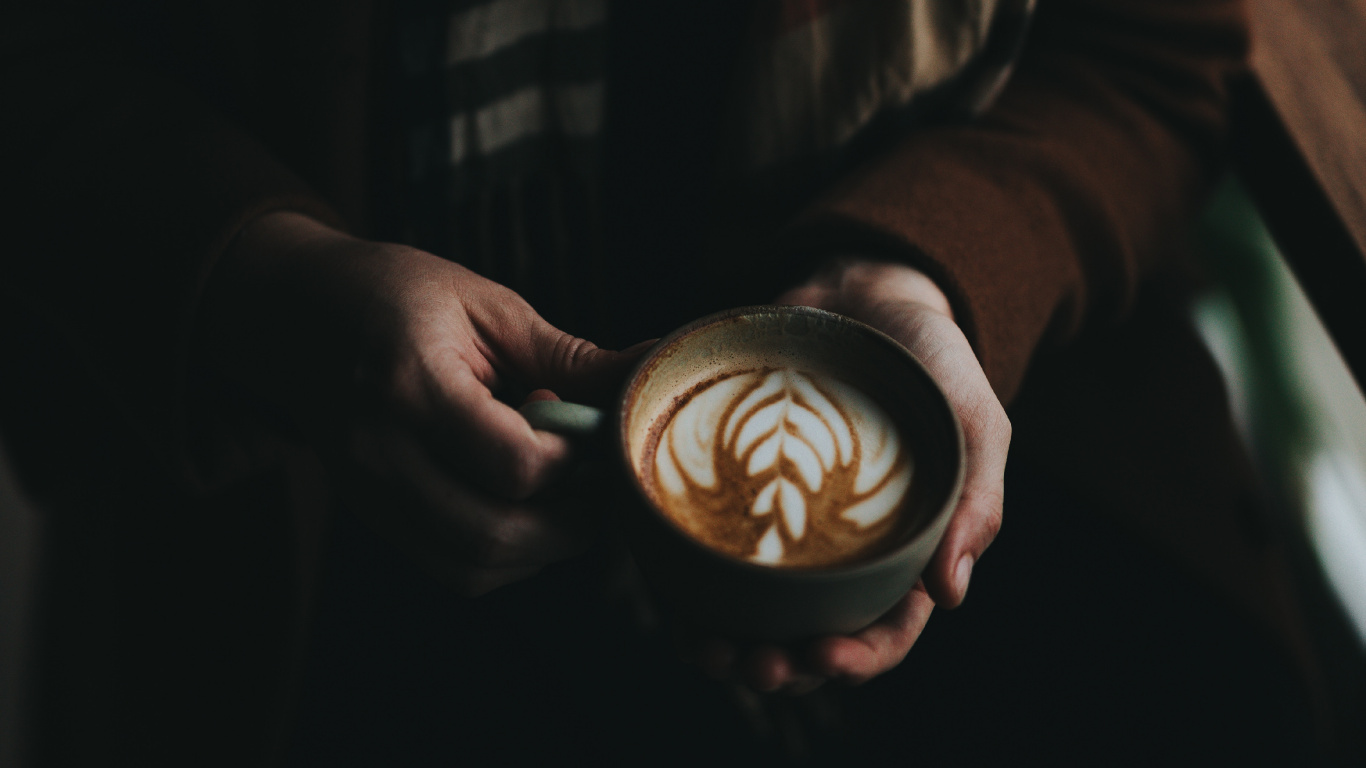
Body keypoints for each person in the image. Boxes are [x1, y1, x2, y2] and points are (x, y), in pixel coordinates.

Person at [0, 0, 1328, 764]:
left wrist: (924, 266)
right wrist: (265, 283)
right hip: (311, 556)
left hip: (1053, 492)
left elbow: (1152, 48)